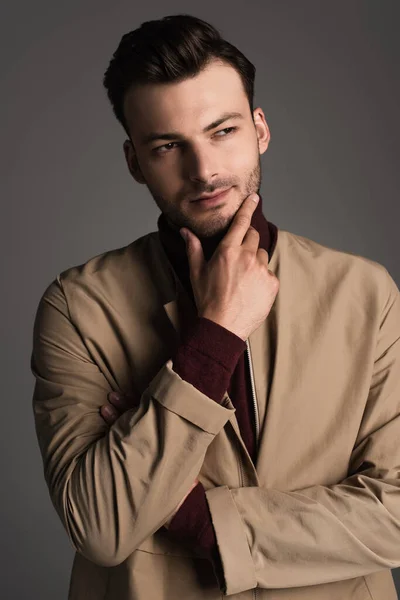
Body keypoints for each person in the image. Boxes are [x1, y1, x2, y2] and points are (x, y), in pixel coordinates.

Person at [30, 13, 400, 600]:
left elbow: (397, 512)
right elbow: (100, 528)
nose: (204, 171)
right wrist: (216, 333)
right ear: (134, 163)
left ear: (260, 129)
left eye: (223, 131)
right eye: (169, 146)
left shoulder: (366, 293)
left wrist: (200, 518)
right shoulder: (79, 308)